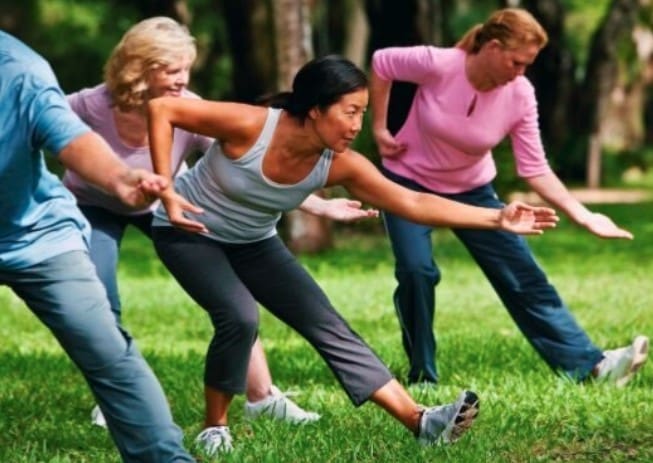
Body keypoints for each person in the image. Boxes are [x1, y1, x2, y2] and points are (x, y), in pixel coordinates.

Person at [145, 54, 559, 456]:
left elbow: (412, 203)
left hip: (254, 241)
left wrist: (496, 217)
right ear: (315, 110)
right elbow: (163, 108)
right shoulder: (252, 125)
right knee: (239, 316)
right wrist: (166, 188)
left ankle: (420, 421)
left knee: (326, 322)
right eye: (349, 112)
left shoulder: (339, 165)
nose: (357, 126)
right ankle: (214, 428)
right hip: (188, 231)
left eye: (363, 113)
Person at [63, 17, 373, 427]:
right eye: (171, 69)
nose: (182, 78)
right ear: (138, 67)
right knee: (100, 298)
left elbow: (249, 169)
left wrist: (318, 205)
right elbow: (39, 128)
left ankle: (261, 396)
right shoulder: (89, 105)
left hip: (165, 204)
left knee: (234, 301)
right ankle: (117, 396)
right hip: (93, 205)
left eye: (186, 68)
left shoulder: (191, 109)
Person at [369, 7, 649, 386]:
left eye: (528, 65)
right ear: (494, 48)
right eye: (517, 62)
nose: (521, 73)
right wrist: (381, 128)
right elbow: (382, 63)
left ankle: (590, 367)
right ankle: (423, 376)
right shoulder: (440, 64)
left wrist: (583, 215)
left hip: (473, 190)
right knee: (417, 272)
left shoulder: (520, 95)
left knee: (523, 276)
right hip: (407, 183)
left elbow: (534, 168)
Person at [0, 30, 196, 462]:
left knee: (107, 351)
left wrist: (119, 176)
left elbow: (71, 137)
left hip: (34, 237)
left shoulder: (19, 70)